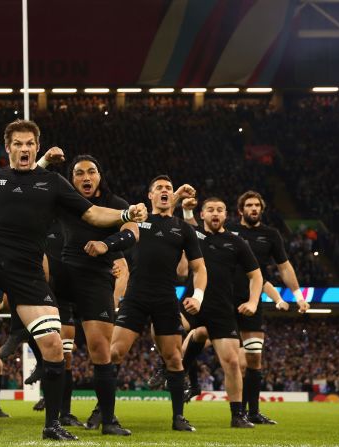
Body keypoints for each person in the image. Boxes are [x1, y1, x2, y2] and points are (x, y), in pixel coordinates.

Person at [0, 119, 147, 440]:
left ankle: (52, 425)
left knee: (54, 346)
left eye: (29, 144)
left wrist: (125, 215)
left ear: (36, 148)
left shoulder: (53, 182)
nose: (24, 149)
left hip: (27, 270)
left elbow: (93, 214)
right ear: (8, 147)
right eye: (18, 143)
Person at [38, 150, 136, 435]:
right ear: (71, 180)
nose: (85, 177)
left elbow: (133, 233)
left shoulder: (116, 204)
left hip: (96, 279)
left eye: (90, 171)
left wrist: (108, 245)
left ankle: (109, 421)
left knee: (100, 350)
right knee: (54, 348)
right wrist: (44, 161)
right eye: (79, 173)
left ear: (100, 176)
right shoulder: (66, 202)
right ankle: (54, 421)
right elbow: (32, 187)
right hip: (65, 274)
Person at [108, 175, 206, 432]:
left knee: (174, 358)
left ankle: (178, 418)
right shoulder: (137, 221)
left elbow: (199, 268)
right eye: (159, 188)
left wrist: (197, 296)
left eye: (168, 188)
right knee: (114, 353)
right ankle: (105, 413)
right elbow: (115, 239)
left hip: (165, 298)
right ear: (149, 195)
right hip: (135, 296)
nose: (164, 191)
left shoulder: (183, 229)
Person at [226, 191, 310, 424]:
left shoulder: (270, 235)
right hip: (224, 300)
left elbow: (284, 267)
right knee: (233, 358)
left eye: (257, 205)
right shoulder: (229, 230)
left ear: (261, 209)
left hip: (253, 301)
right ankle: (189, 383)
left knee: (253, 359)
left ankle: (251, 413)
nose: (254, 209)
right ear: (240, 210)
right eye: (249, 205)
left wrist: (297, 296)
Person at [180, 197, 263, 428]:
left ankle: (237, 415)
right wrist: (186, 209)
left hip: (221, 308)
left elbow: (256, 276)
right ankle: (178, 373)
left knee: (232, 362)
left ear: (226, 215)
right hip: (191, 301)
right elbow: (187, 224)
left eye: (219, 210)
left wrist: (253, 302)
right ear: (202, 214)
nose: (215, 213)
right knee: (174, 334)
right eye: (210, 210)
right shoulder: (193, 234)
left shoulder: (236, 242)